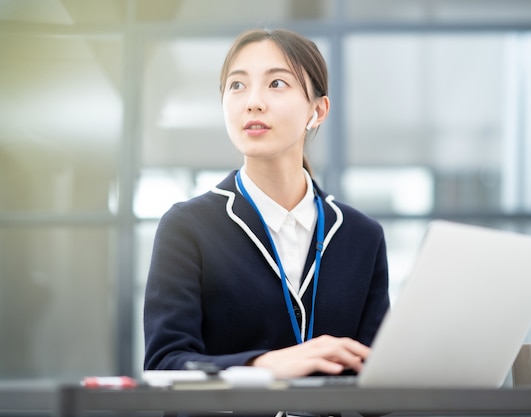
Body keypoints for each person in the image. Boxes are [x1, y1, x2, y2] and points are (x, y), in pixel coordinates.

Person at [143, 28, 390, 380]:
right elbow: (164, 365)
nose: (253, 102)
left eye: (276, 84)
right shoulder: (188, 227)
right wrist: (264, 366)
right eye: (237, 86)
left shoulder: (361, 236)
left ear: (317, 111)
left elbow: (376, 386)